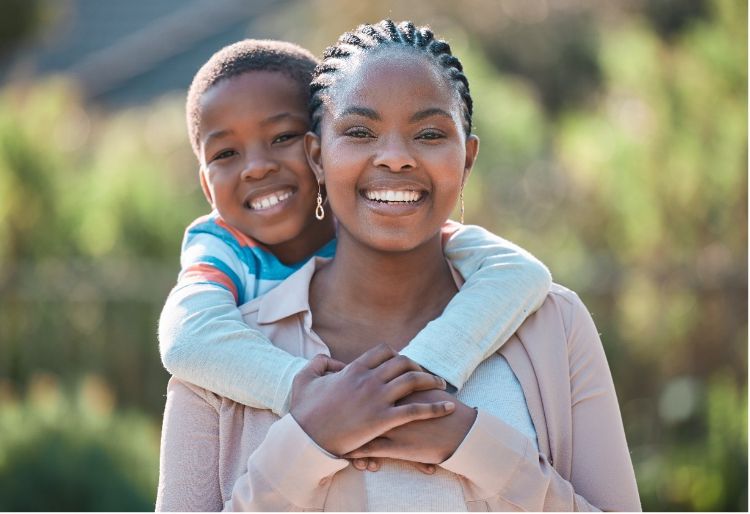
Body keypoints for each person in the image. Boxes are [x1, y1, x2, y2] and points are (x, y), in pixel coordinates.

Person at [156, 21, 640, 511]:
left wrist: (473, 444)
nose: (395, 158)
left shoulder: (554, 325)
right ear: (317, 156)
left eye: (429, 133)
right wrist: (308, 442)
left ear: (466, 159)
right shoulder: (223, 361)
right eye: (360, 132)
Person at [158, 39, 552, 430]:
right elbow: (187, 337)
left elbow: (520, 273)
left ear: (324, 152)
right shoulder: (222, 247)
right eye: (226, 154)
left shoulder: (374, 215)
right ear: (207, 189)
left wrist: (424, 371)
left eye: (282, 138)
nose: (257, 168)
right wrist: (305, 390)